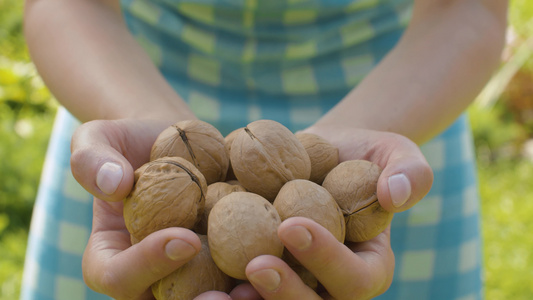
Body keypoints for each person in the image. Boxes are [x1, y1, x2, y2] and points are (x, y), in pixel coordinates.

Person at [21, 0, 508, 299]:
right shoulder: (159, 163)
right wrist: (148, 128)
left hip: (398, 103)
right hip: (123, 87)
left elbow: (465, 7)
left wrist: (355, 141)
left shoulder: (355, 175)